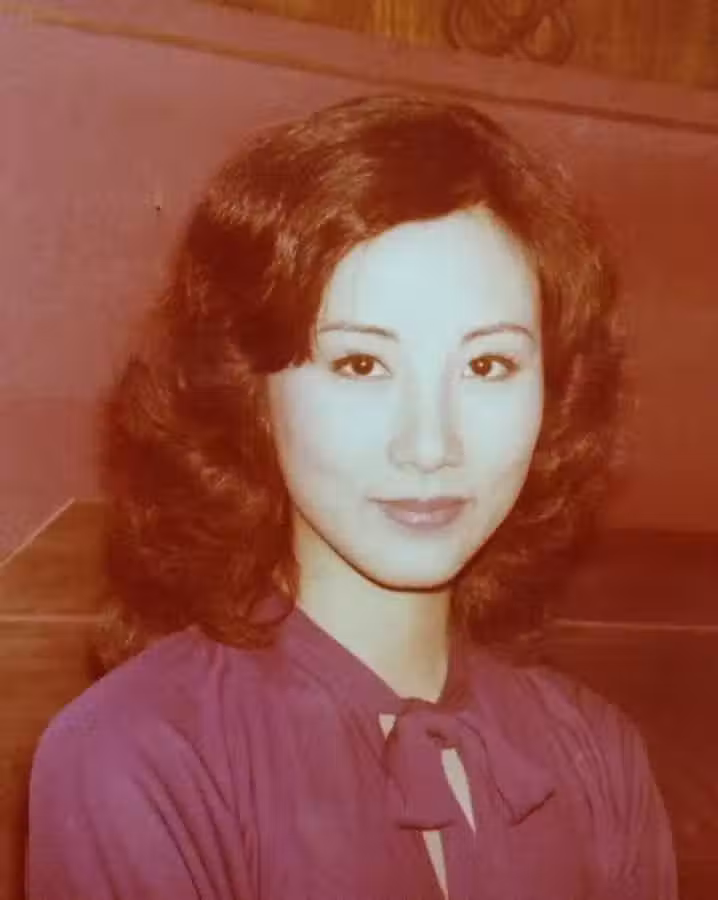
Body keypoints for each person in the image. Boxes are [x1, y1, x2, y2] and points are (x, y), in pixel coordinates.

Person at [27, 94, 677, 899]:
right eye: (362, 365)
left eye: (487, 366)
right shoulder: (138, 760)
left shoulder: (599, 758)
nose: (431, 445)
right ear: (251, 392)